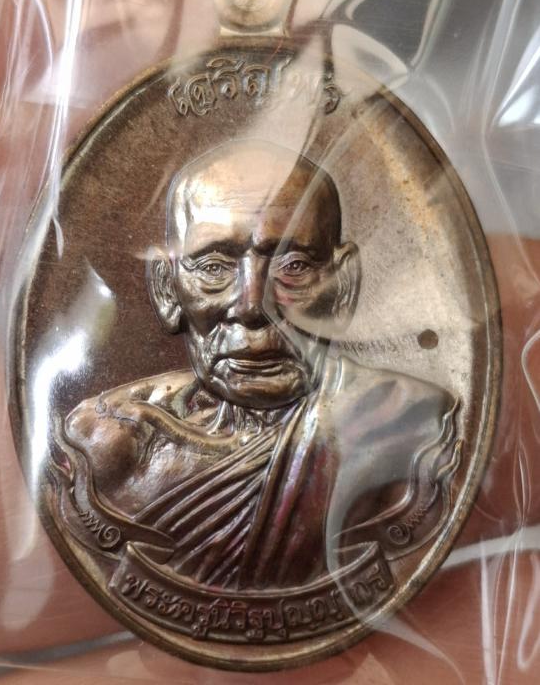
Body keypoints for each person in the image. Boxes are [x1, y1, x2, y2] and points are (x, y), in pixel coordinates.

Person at [63, 140, 459, 591]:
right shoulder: (107, 442)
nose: (253, 306)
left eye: (293, 265)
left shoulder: (409, 427)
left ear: (343, 285)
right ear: (167, 288)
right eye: (214, 267)